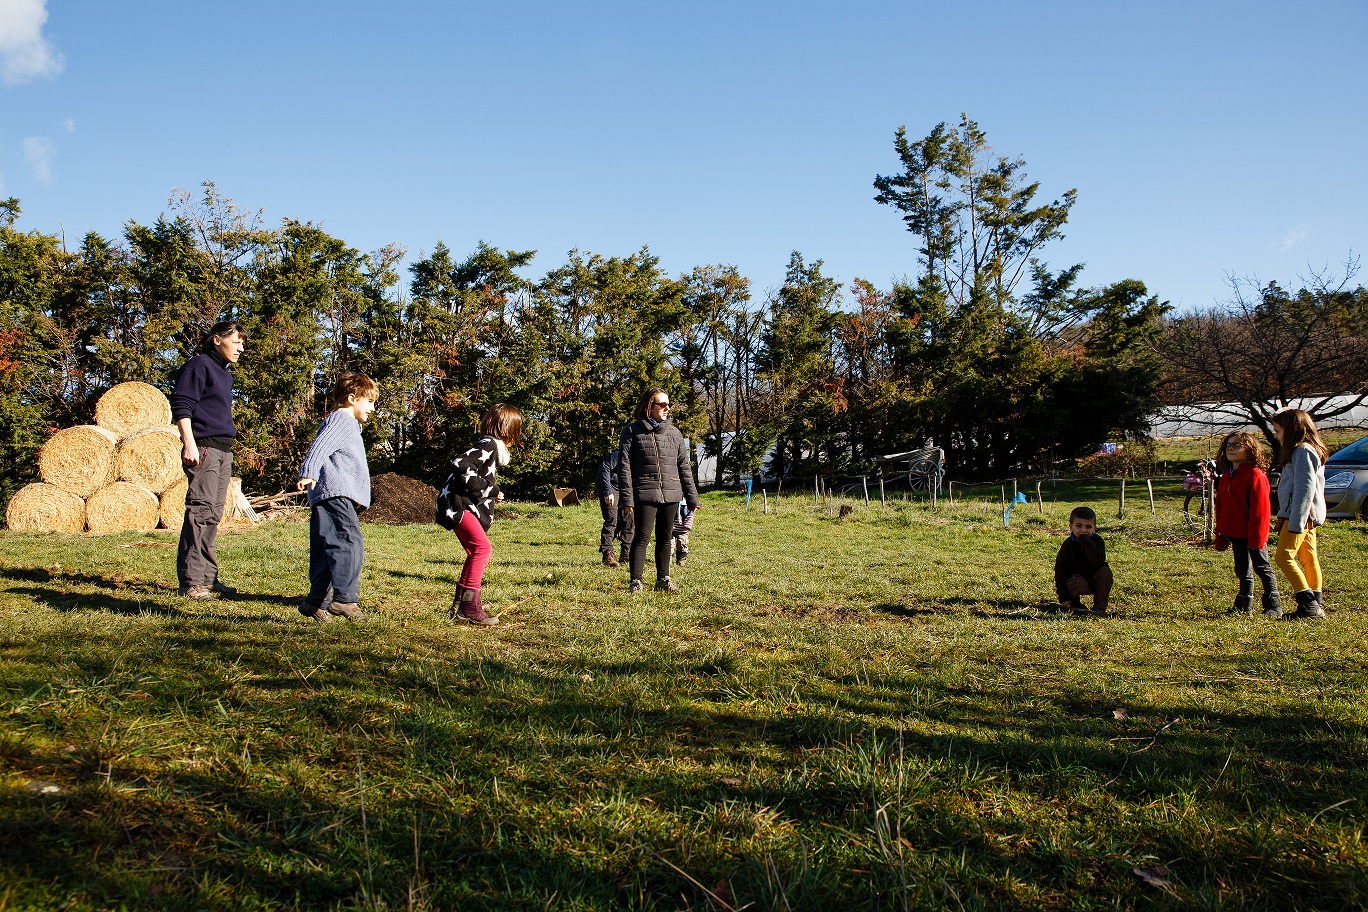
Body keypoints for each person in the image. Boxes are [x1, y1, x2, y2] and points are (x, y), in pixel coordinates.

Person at [170, 320, 246, 601]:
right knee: (200, 511)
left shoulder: (225, 375)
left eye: (242, 343)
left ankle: (207, 578)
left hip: (223, 449)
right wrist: (189, 443)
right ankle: (192, 581)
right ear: (217, 339)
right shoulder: (198, 365)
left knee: (213, 514)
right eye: (236, 341)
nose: (240, 348)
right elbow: (182, 405)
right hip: (203, 449)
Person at [295, 372, 379, 623]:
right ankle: (345, 599)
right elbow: (320, 446)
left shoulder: (346, 422)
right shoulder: (341, 420)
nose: (373, 409)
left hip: (327, 494)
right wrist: (308, 472)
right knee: (349, 543)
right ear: (353, 398)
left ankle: (315, 602)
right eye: (370, 402)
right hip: (334, 493)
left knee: (326, 548)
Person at [437, 404, 523, 626]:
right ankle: (469, 607)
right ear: (509, 428)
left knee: (474, 550)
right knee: (482, 549)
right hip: (457, 505)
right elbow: (461, 464)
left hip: (457, 504)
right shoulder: (489, 445)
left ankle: (460, 605)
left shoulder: (490, 446)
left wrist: (490, 492)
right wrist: (490, 489)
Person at [620, 387, 699, 593]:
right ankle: (635, 581)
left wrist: (692, 498)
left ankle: (663, 580)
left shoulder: (674, 433)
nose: (667, 408)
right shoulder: (631, 431)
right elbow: (624, 468)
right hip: (644, 492)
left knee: (666, 536)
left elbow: (684, 467)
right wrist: (627, 500)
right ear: (649, 406)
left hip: (672, 493)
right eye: (662, 404)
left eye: (668, 404)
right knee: (642, 537)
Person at [1212, 431, 1281, 617]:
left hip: (1253, 533)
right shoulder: (1227, 476)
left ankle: (1273, 605)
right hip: (1236, 532)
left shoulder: (1255, 475)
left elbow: (1261, 510)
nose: (1231, 449)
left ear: (1250, 449)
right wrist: (1221, 536)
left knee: (1262, 566)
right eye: (1228, 446)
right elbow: (1221, 509)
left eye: (1236, 446)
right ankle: (1244, 605)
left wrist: (1258, 539)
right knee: (1242, 569)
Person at [1272, 409, 1328, 620]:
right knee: (1307, 557)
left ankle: (1308, 606)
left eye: (1278, 431)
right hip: (1303, 515)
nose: (1276, 436)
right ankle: (1316, 602)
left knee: (1283, 556)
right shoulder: (1308, 449)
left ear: (1292, 429)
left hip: (1300, 516)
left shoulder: (1301, 451)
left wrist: (1295, 521)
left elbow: (1305, 489)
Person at [1054, 506, 1112, 614]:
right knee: (1075, 581)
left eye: (1088, 527)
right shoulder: (1068, 545)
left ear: (1094, 529)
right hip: (1077, 580)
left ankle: (1099, 608)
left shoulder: (1097, 541)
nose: (1083, 530)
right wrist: (1063, 596)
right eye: (1079, 526)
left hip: (1095, 579)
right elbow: (1060, 570)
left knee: (1105, 572)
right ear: (1071, 527)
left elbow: (1097, 560)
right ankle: (1074, 602)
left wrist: (1085, 541)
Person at [596, 441, 633, 567]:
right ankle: (607, 554)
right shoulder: (620, 453)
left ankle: (626, 551)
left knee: (630, 519)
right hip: (611, 486)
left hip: (625, 489)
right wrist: (607, 492)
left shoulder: (642, 456)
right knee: (611, 518)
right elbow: (604, 468)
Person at [672, 498, 696, 565]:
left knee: (682, 543)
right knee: (669, 544)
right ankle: (668, 559)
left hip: (682, 530)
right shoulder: (670, 504)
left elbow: (690, 515)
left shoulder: (686, 505)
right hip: (671, 530)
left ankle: (681, 559)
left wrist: (687, 526)